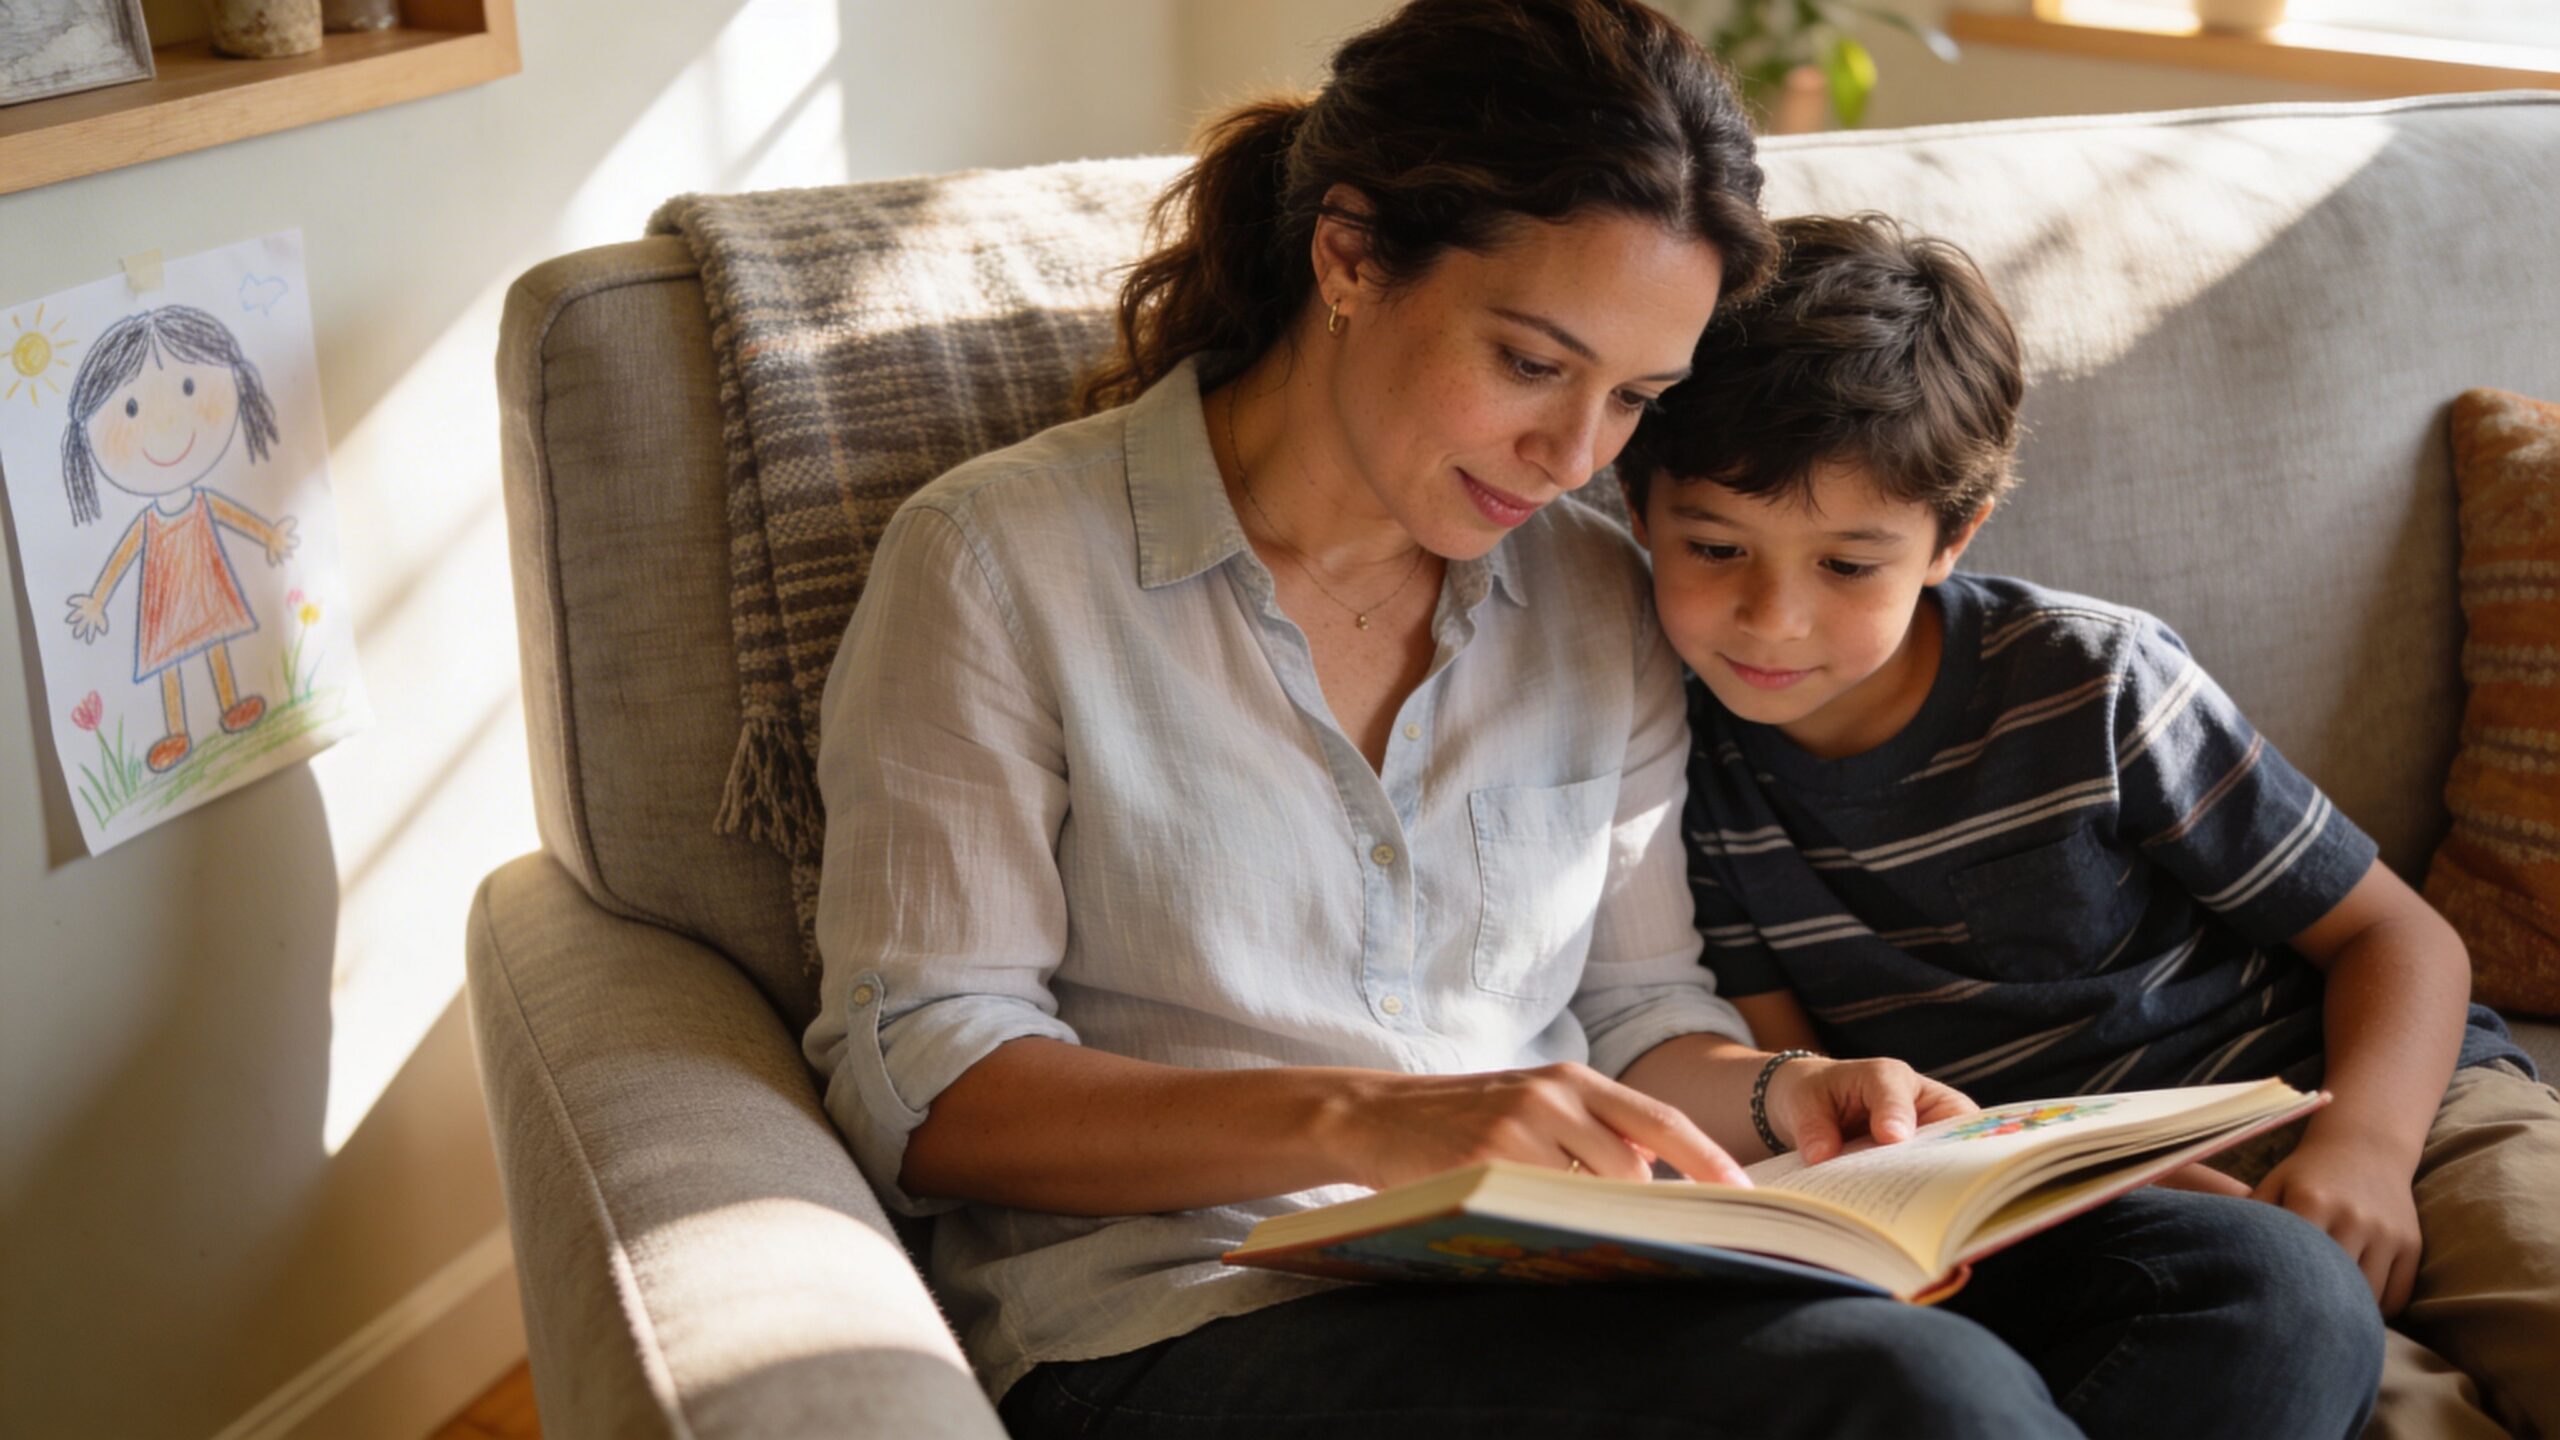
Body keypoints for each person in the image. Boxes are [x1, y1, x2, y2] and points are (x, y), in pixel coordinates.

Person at [805, 4, 2383, 1435]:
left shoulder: (1592, 590)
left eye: (1632, 400)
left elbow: (1637, 1006)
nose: (1573, 453)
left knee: (2262, 1294)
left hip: (1578, 1260)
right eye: (1530, 363)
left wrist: (1791, 1099)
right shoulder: (1000, 564)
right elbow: (928, 1085)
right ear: (1349, 257)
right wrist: (1381, 1119)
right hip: (1188, 1310)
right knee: (1912, 1395)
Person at [1619, 210, 2558, 1438]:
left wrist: (2370, 1147)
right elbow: (1804, 1115)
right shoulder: (1667, 763)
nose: (1770, 617)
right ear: (1636, 511)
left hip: (2384, 1095)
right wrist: (2070, 1182)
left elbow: (2400, 940)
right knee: (2360, 1401)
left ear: (1950, 539)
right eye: (1713, 546)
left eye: (1848, 565)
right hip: (2085, 1202)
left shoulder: (2087, 680)